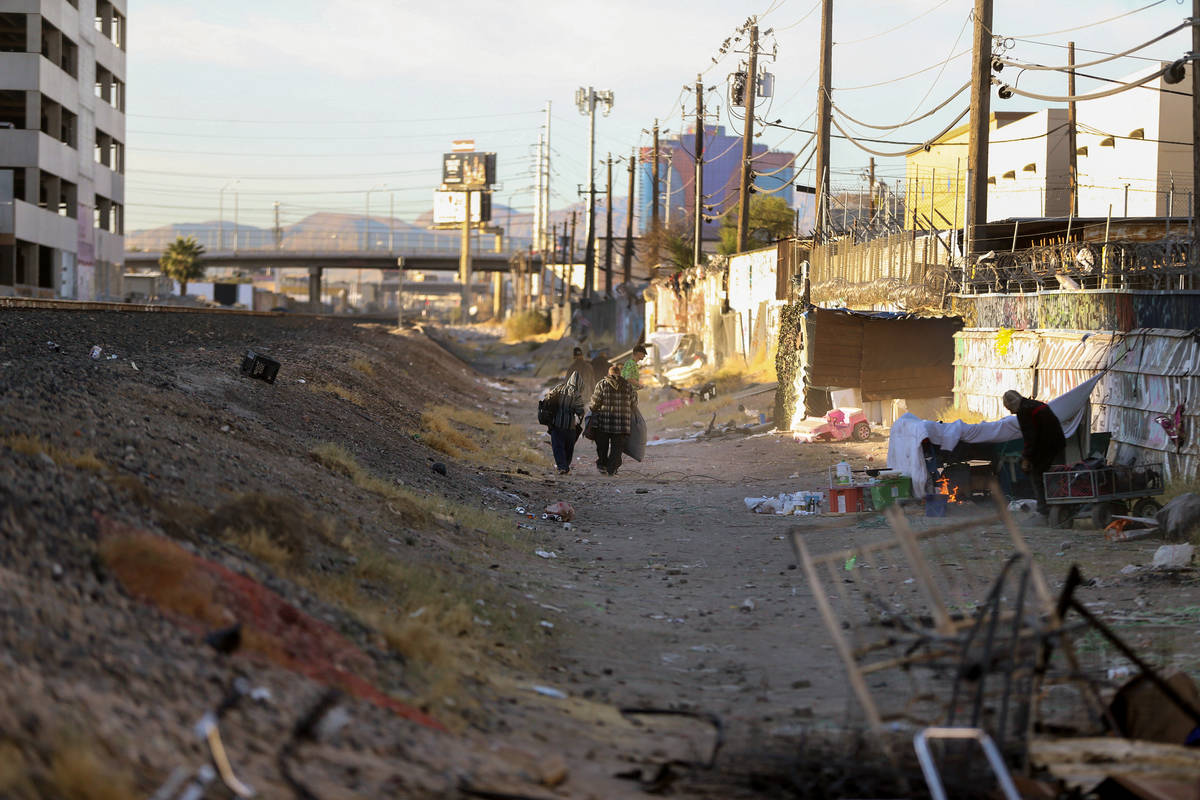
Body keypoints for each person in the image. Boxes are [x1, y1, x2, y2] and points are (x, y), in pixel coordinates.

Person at [1003, 389, 1066, 516]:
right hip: (1058, 443)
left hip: (1046, 446)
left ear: (1012, 404)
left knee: (1036, 475)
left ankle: (1043, 510)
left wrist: (1026, 458)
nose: (1010, 412)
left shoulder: (1023, 411)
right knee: (1057, 475)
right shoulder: (1035, 404)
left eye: (1009, 408)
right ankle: (1060, 505)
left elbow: (1030, 437)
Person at [589, 364, 638, 476]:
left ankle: (602, 465)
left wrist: (592, 408)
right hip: (622, 424)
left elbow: (595, 403)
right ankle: (612, 469)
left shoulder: (602, 384)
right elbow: (634, 403)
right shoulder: (628, 386)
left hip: (604, 423)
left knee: (602, 446)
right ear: (620, 374)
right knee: (617, 448)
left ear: (608, 374)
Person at [545, 373, 584, 474]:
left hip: (556, 424)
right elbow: (580, 410)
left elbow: (548, 399)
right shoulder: (577, 394)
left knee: (558, 447)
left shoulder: (559, 387)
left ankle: (562, 467)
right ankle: (565, 465)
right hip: (570, 426)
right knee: (568, 448)